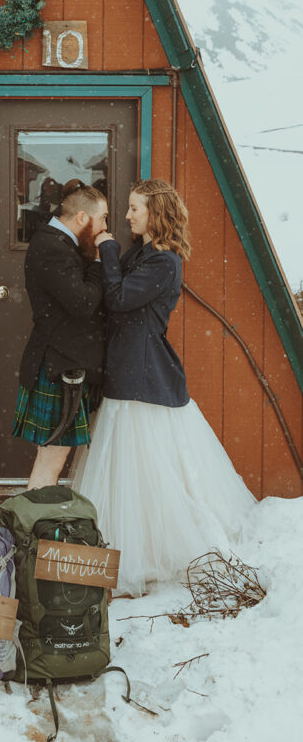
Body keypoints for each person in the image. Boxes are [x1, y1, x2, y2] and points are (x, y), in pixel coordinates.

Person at [70, 178, 255, 596]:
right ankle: (134, 547)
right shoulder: (144, 253)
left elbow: (116, 297)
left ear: (155, 213)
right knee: (131, 470)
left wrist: (107, 248)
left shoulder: (163, 262)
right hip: (126, 363)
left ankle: (147, 552)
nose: (127, 214)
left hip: (143, 370)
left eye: (135, 208)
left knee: (146, 468)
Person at [13, 184, 109, 490]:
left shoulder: (59, 243)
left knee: (53, 452)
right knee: (53, 454)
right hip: (57, 365)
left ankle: (33, 523)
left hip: (62, 361)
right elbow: (82, 303)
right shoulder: (52, 248)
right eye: (103, 219)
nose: (106, 227)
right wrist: (97, 262)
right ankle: (32, 527)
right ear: (83, 217)